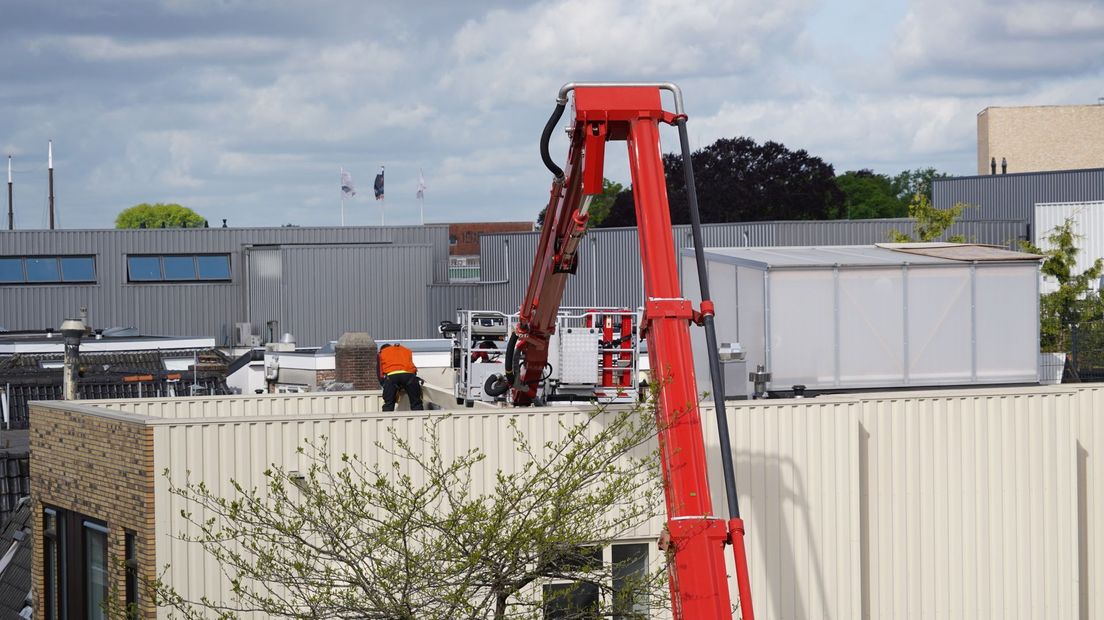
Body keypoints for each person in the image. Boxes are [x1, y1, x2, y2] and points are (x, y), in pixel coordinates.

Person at [378, 343, 423, 411]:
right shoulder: (405, 350)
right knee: (416, 402)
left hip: (391, 377)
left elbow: (380, 373)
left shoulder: (382, 353)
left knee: (388, 404)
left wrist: (385, 385)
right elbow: (411, 367)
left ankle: (387, 419)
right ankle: (419, 418)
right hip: (409, 375)